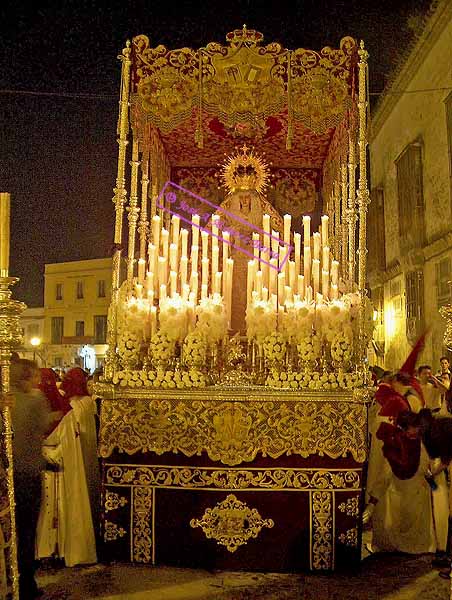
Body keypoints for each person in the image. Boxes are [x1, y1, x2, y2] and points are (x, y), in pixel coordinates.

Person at [7, 359, 61, 599]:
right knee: (27, 530)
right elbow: (42, 423)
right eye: (35, 375)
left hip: (10, 473)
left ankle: (11, 581)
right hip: (28, 472)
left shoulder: (7, 399)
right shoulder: (35, 399)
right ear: (27, 376)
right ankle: (26, 583)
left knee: (12, 531)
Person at [37, 367, 98, 566]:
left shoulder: (70, 408)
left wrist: (48, 452)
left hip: (61, 465)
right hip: (57, 465)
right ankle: (49, 548)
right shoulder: (64, 407)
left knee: (61, 506)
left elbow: (69, 437)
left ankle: (57, 548)